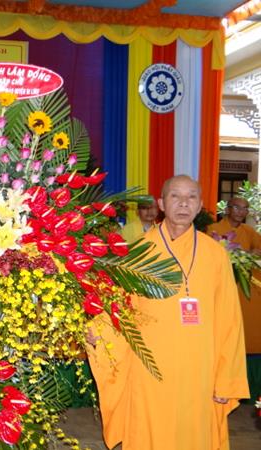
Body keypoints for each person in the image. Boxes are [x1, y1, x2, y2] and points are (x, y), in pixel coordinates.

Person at [87, 175, 249, 450]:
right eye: (176, 196)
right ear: (161, 203)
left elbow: (229, 320)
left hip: (199, 370)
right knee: (150, 433)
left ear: (200, 205)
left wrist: (226, 379)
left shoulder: (215, 254)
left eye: (191, 197)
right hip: (150, 369)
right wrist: (98, 330)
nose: (184, 203)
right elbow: (119, 306)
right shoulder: (138, 251)